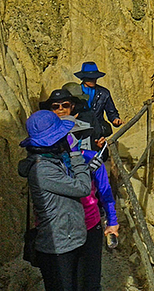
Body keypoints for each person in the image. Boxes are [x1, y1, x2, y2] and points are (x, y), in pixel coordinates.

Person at [18, 110, 93, 291]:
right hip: (58, 249)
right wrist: (75, 155)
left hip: (70, 241)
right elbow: (83, 188)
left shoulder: (52, 161)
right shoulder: (43, 170)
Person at [67, 129, 119, 291]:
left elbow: (104, 191)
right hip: (64, 229)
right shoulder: (51, 163)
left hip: (88, 224)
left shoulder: (92, 158)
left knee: (89, 279)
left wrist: (112, 221)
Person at [74, 62, 123, 136]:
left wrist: (115, 119)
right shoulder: (74, 92)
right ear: (83, 78)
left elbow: (111, 112)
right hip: (78, 130)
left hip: (97, 130)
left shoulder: (104, 93)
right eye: (89, 78)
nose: (93, 80)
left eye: (94, 78)